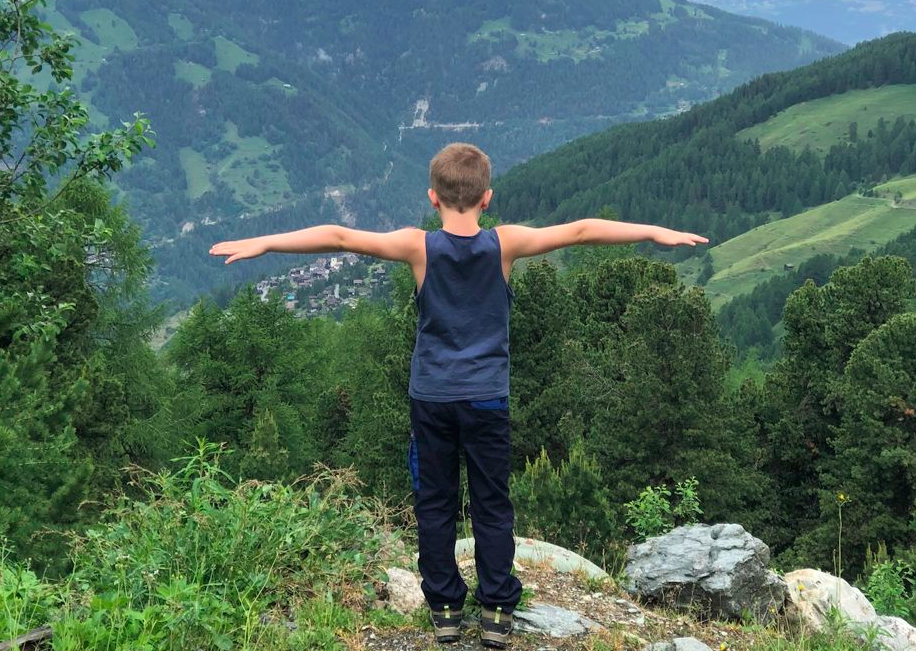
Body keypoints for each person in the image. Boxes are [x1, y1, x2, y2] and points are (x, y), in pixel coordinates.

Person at [210, 142, 708, 647]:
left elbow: (339, 235)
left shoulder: (419, 247)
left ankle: (446, 608)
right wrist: (653, 232)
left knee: (435, 503)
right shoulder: (504, 244)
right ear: (487, 198)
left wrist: (265, 242)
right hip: (487, 399)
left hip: (431, 399)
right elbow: (580, 230)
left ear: (433, 197)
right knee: (492, 504)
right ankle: (496, 611)